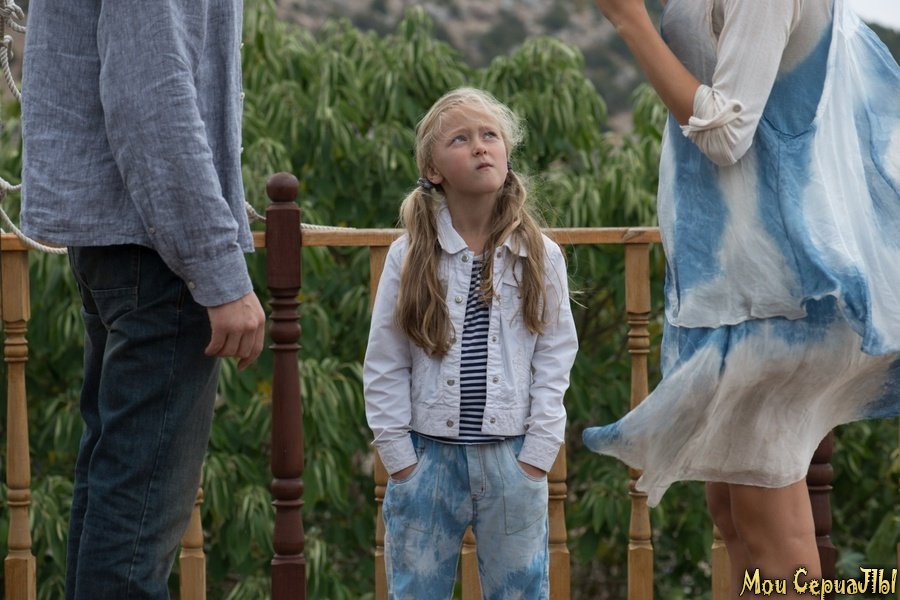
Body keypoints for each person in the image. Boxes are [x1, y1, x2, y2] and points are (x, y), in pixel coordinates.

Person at [582, 0, 900, 597]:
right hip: (735, 287)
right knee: (733, 516)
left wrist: (629, 21)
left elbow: (726, 134)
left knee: (771, 531)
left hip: (778, 296)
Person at [20, 1, 267, 598]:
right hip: (158, 254)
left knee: (113, 495)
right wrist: (216, 267)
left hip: (124, 240)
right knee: (134, 528)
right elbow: (150, 93)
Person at [363, 87, 578, 599]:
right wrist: (400, 459)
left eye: (490, 135)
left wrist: (537, 455)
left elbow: (555, 356)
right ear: (432, 169)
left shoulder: (541, 255)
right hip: (426, 459)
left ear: (506, 152)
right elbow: (386, 360)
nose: (480, 146)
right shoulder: (409, 255)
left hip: (512, 461)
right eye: (460, 139)